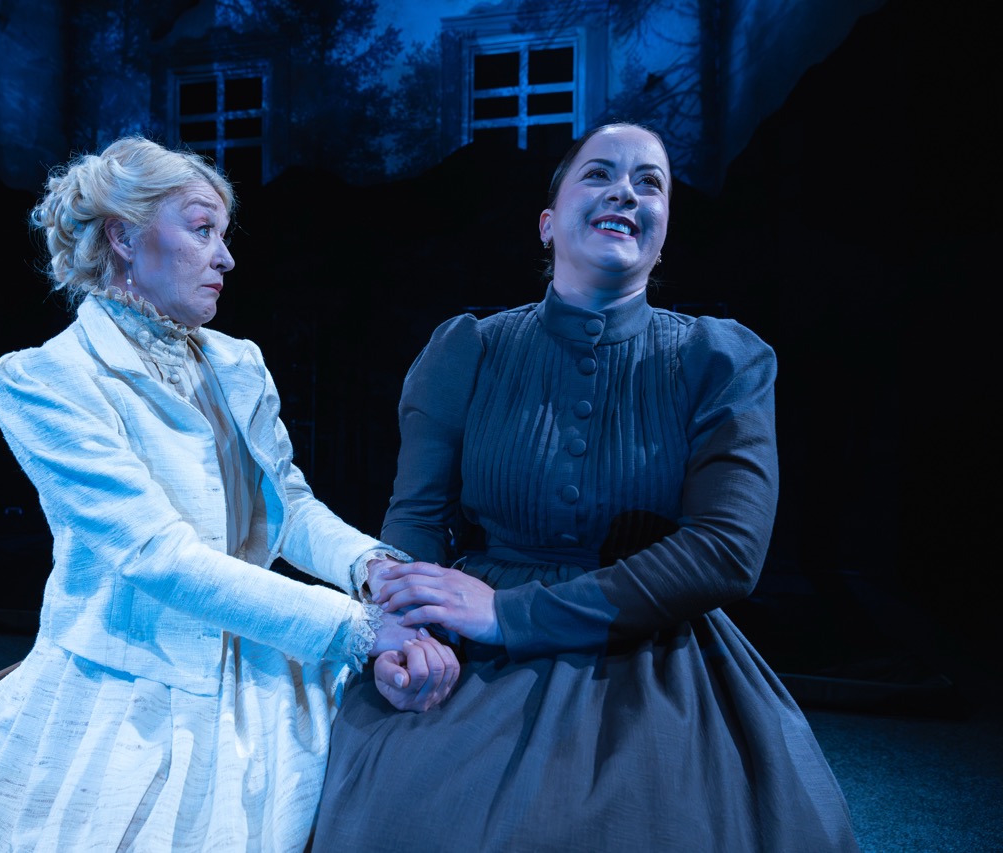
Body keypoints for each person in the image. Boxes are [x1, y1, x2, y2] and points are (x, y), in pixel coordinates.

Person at [0, 135, 458, 853]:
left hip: (259, 640)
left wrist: (371, 567)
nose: (226, 258)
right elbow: (154, 554)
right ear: (123, 236)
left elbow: (289, 506)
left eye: (223, 235)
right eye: (202, 229)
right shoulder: (46, 379)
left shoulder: (238, 363)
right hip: (137, 671)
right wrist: (356, 628)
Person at [310, 122, 860, 851]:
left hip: (647, 641)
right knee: (401, 811)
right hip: (472, 640)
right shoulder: (467, 350)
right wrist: (407, 638)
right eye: (599, 174)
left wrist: (509, 613)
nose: (625, 192)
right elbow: (416, 520)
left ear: (663, 234)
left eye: (649, 183)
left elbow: (727, 550)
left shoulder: (720, 359)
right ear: (547, 223)